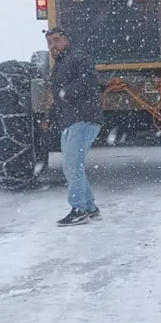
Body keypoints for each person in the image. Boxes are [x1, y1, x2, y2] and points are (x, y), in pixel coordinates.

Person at [45, 27, 103, 226]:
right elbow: (58, 97)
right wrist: (50, 115)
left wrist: (65, 93)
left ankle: (79, 209)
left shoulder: (79, 58)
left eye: (56, 40)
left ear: (66, 41)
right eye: (50, 42)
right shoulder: (60, 65)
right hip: (70, 121)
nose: (53, 45)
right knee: (72, 166)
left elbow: (89, 81)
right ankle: (89, 207)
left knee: (72, 166)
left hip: (83, 119)